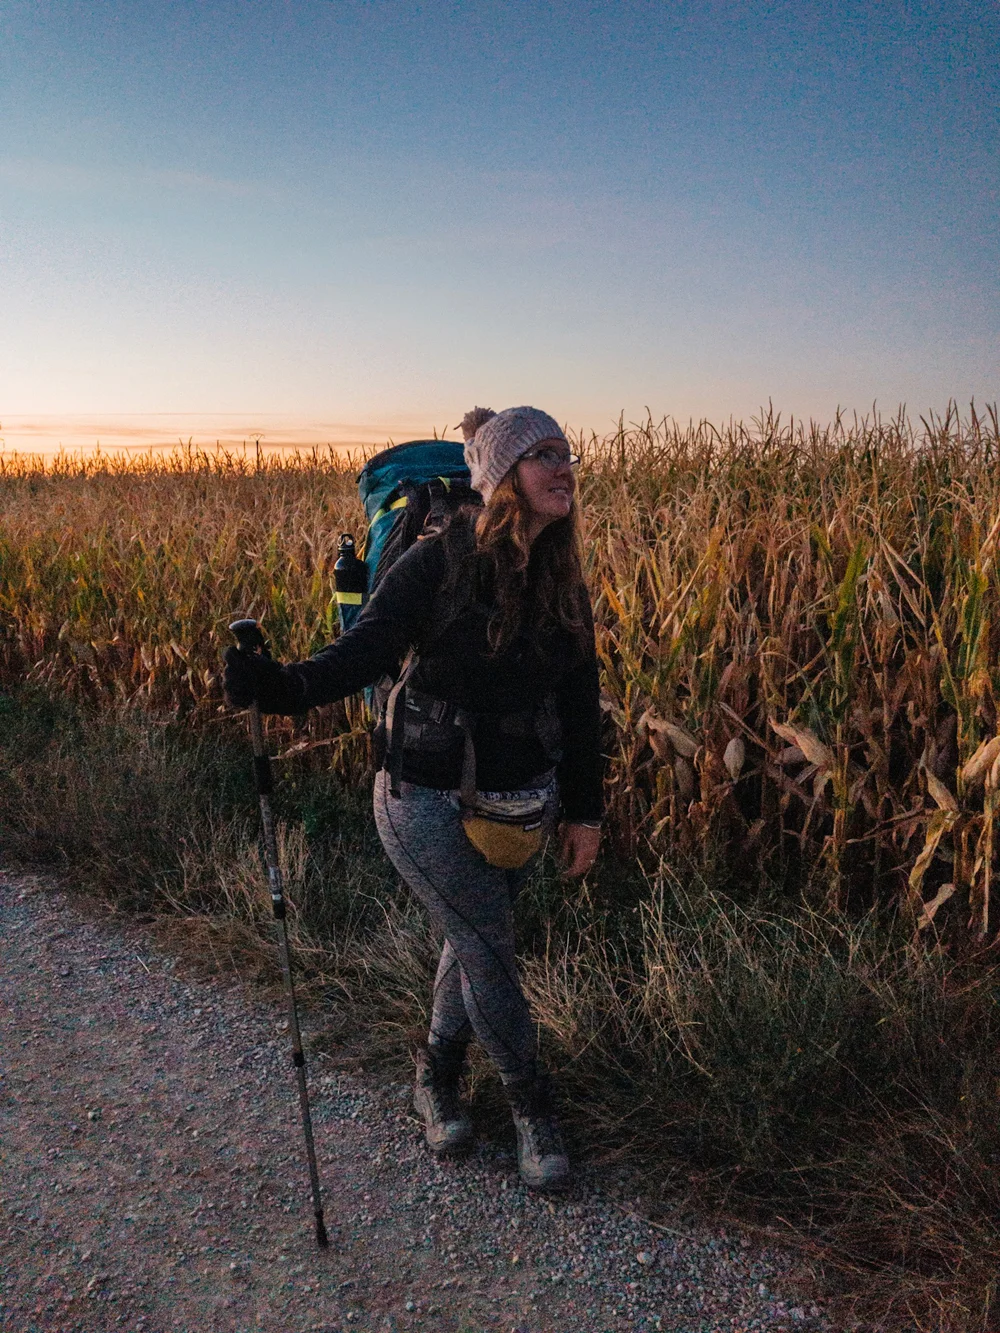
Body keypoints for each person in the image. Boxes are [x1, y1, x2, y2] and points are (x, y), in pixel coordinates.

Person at [223, 405, 603, 1190]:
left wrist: (585, 808)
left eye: (567, 453)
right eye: (542, 455)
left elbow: (579, 699)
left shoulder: (563, 578)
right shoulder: (437, 564)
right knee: (490, 949)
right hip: (422, 798)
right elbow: (360, 650)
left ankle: (433, 1079)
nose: (563, 467)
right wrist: (280, 686)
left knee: (470, 943)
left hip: (520, 805)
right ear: (501, 479)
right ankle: (534, 1110)